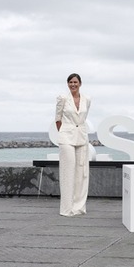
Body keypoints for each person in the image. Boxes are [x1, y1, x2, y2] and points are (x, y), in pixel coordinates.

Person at [55, 73, 91, 217]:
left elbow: (83, 117)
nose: (73, 84)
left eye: (75, 82)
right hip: (66, 137)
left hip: (82, 137)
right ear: (68, 84)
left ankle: (79, 207)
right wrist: (64, 132)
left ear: (80, 83)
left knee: (81, 173)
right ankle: (67, 208)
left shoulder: (87, 99)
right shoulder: (62, 98)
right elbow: (58, 118)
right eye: (70, 82)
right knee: (67, 172)